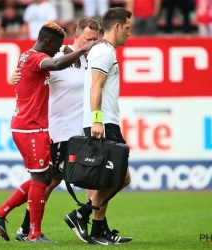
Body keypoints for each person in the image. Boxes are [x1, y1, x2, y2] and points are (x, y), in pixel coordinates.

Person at [10, 16, 132, 244]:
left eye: (96, 39)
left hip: (82, 129)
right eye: (88, 39)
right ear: (76, 37)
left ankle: (95, 227)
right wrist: (14, 77)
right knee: (50, 180)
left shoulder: (93, 57)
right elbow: (30, 75)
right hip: (60, 129)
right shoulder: (57, 56)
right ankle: (25, 228)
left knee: (92, 176)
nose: (93, 43)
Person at [0, 21, 99, 243]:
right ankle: (32, 232)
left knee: (48, 177)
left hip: (40, 127)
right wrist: (82, 50)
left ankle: (1, 213)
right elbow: (54, 64)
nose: (58, 48)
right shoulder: (43, 58)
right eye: (56, 45)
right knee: (43, 179)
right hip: (35, 127)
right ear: (48, 41)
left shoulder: (30, 56)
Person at [64, 7, 133, 245]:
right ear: (116, 27)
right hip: (103, 123)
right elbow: (96, 86)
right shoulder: (104, 51)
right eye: (126, 28)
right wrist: (96, 119)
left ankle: (99, 230)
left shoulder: (104, 50)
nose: (128, 33)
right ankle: (80, 215)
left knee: (104, 178)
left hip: (105, 122)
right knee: (120, 178)